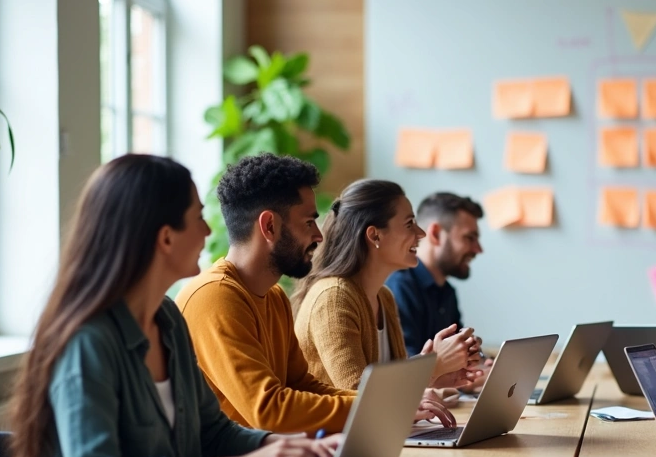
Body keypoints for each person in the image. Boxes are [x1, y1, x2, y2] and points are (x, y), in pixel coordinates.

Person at [5, 156, 341, 457]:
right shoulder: (87, 341)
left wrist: (288, 448)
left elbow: (213, 432)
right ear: (166, 238)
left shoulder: (166, 319)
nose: (208, 230)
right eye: (197, 217)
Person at [176, 154, 452, 435]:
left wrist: (393, 402)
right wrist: (387, 406)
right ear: (269, 226)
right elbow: (268, 409)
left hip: (277, 454)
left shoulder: (274, 296)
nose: (319, 236)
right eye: (309, 222)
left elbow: (302, 385)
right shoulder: (214, 297)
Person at [290, 180, 482, 390]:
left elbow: (393, 388)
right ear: (375, 235)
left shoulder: (384, 297)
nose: (421, 233)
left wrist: (438, 377)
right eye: (409, 224)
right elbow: (358, 393)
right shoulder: (333, 298)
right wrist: (432, 367)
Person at [386, 192, 493, 391]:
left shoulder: (447, 292)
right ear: (435, 234)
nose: (478, 249)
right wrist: (466, 379)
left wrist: (479, 364)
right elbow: (405, 368)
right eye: (469, 238)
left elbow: (461, 354)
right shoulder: (399, 288)